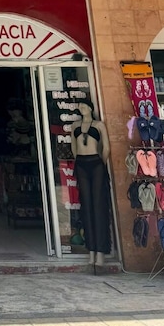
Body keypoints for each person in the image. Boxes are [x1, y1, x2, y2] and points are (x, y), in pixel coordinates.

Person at [70, 98, 111, 269]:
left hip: (96, 163)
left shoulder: (99, 125)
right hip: (81, 163)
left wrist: (101, 163)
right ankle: (91, 250)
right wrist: (79, 161)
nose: (82, 108)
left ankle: (101, 251)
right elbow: (74, 147)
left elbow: (106, 147)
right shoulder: (75, 126)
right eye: (80, 106)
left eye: (84, 105)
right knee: (86, 206)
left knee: (98, 206)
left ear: (90, 108)